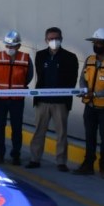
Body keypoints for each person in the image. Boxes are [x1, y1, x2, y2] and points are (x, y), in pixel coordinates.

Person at [74, 28, 104, 179]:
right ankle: (88, 165)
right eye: (95, 42)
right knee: (89, 136)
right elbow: (82, 79)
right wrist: (84, 89)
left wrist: (96, 94)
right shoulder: (89, 60)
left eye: (99, 43)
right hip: (90, 105)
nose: (96, 45)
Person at [27, 27, 79, 172]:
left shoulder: (70, 57)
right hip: (42, 101)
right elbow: (40, 76)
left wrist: (64, 95)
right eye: (50, 39)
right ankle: (35, 159)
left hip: (60, 102)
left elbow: (72, 80)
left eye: (56, 38)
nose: (53, 41)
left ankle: (61, 161)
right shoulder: (40, 55)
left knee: (61, 133)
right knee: (39, 131)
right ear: (46, 40)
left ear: (61, 39)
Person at [0, 30, 34, 165]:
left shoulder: (26, 58)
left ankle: (16, 155)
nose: (10, 48)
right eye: (8, 46)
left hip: (17, 99)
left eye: (13, 46)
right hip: (0, 98)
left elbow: (29, 76)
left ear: (19, 46)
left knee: (17, 128)